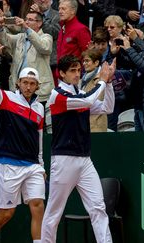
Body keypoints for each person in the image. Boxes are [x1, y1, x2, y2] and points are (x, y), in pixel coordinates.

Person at [0, 36, 46, 243]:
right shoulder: (5, 99)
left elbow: (39, 139)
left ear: (37, 86)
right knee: (7, 213)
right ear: (18, 82)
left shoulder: (40, 108)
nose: (28, 87)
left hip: (33, 166)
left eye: (33, 84)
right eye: (25, 82)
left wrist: (41, 164)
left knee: (38, 205)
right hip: (9, 164)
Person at [41, 55, 115, 243]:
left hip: (84, 159)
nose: (77, 74)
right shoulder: (57, 95)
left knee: (98, 207)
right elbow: (89, 101)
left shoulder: (81, 94)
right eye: (72, 70)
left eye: (78, 70)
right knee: (53, 213)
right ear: (62, 74)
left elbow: (108, 107)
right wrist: (102, 81)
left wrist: (110, 83)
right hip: (64, 159)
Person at [0, 10, 54, 105]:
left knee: (38, 118)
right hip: (19, 89)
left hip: (39, 90)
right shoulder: (20, 37)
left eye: (30, 20)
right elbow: (5, 40)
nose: (26, 22)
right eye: (26, 19)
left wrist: (26, 28)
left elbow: (43, 47)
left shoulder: (46, 37)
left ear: (39, 23)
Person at [55, 0, 91, 83]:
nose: (60, 11)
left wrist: (79, 74)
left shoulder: (81, 29)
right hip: (61, 76)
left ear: (73, 11)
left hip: (74, 77)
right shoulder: (62, 29)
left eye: (63, 9)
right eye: (59, 9)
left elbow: (87, 55)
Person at [80, 48, 108, 132]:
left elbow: (97, 103)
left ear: (96, 63)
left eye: (87, 61)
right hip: (85, 125)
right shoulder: (83, 79)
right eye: (84, 61)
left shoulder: (100, 79)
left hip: (96, 126)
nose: (84, 64)